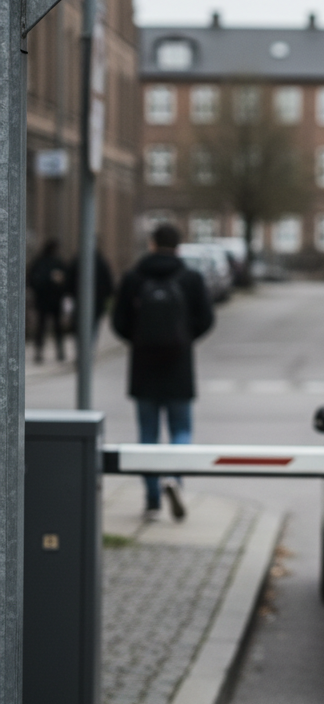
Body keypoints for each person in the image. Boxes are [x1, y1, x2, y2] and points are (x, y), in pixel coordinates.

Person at [112, 224, 214, 522]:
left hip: (143, 367)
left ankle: (153, 498)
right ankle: (173, 476)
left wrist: (140, 340)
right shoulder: (190, 278)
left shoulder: (134, 277)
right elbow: (206, 319)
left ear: (152, 244)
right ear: (178, 246)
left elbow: (118, 321)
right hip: (179, 365)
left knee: (147, 434)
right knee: (181, 429)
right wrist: (183, 338)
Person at [27, 239, 67, 364]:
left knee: (43, 327)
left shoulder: (40, 262)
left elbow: (31, 279)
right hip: (52, 300)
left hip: (44, 300)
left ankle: (42, 351)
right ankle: (58, 351)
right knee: (54, 327)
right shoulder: (55, 262)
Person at [66, 248, 116, 345]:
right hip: (97, 302)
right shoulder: (101, 263)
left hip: (79, 301)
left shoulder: (77, 261)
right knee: (93, 326)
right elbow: (109, 283)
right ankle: (89, 349)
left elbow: (69, 281)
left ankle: (82, 350)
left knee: (79, 326)